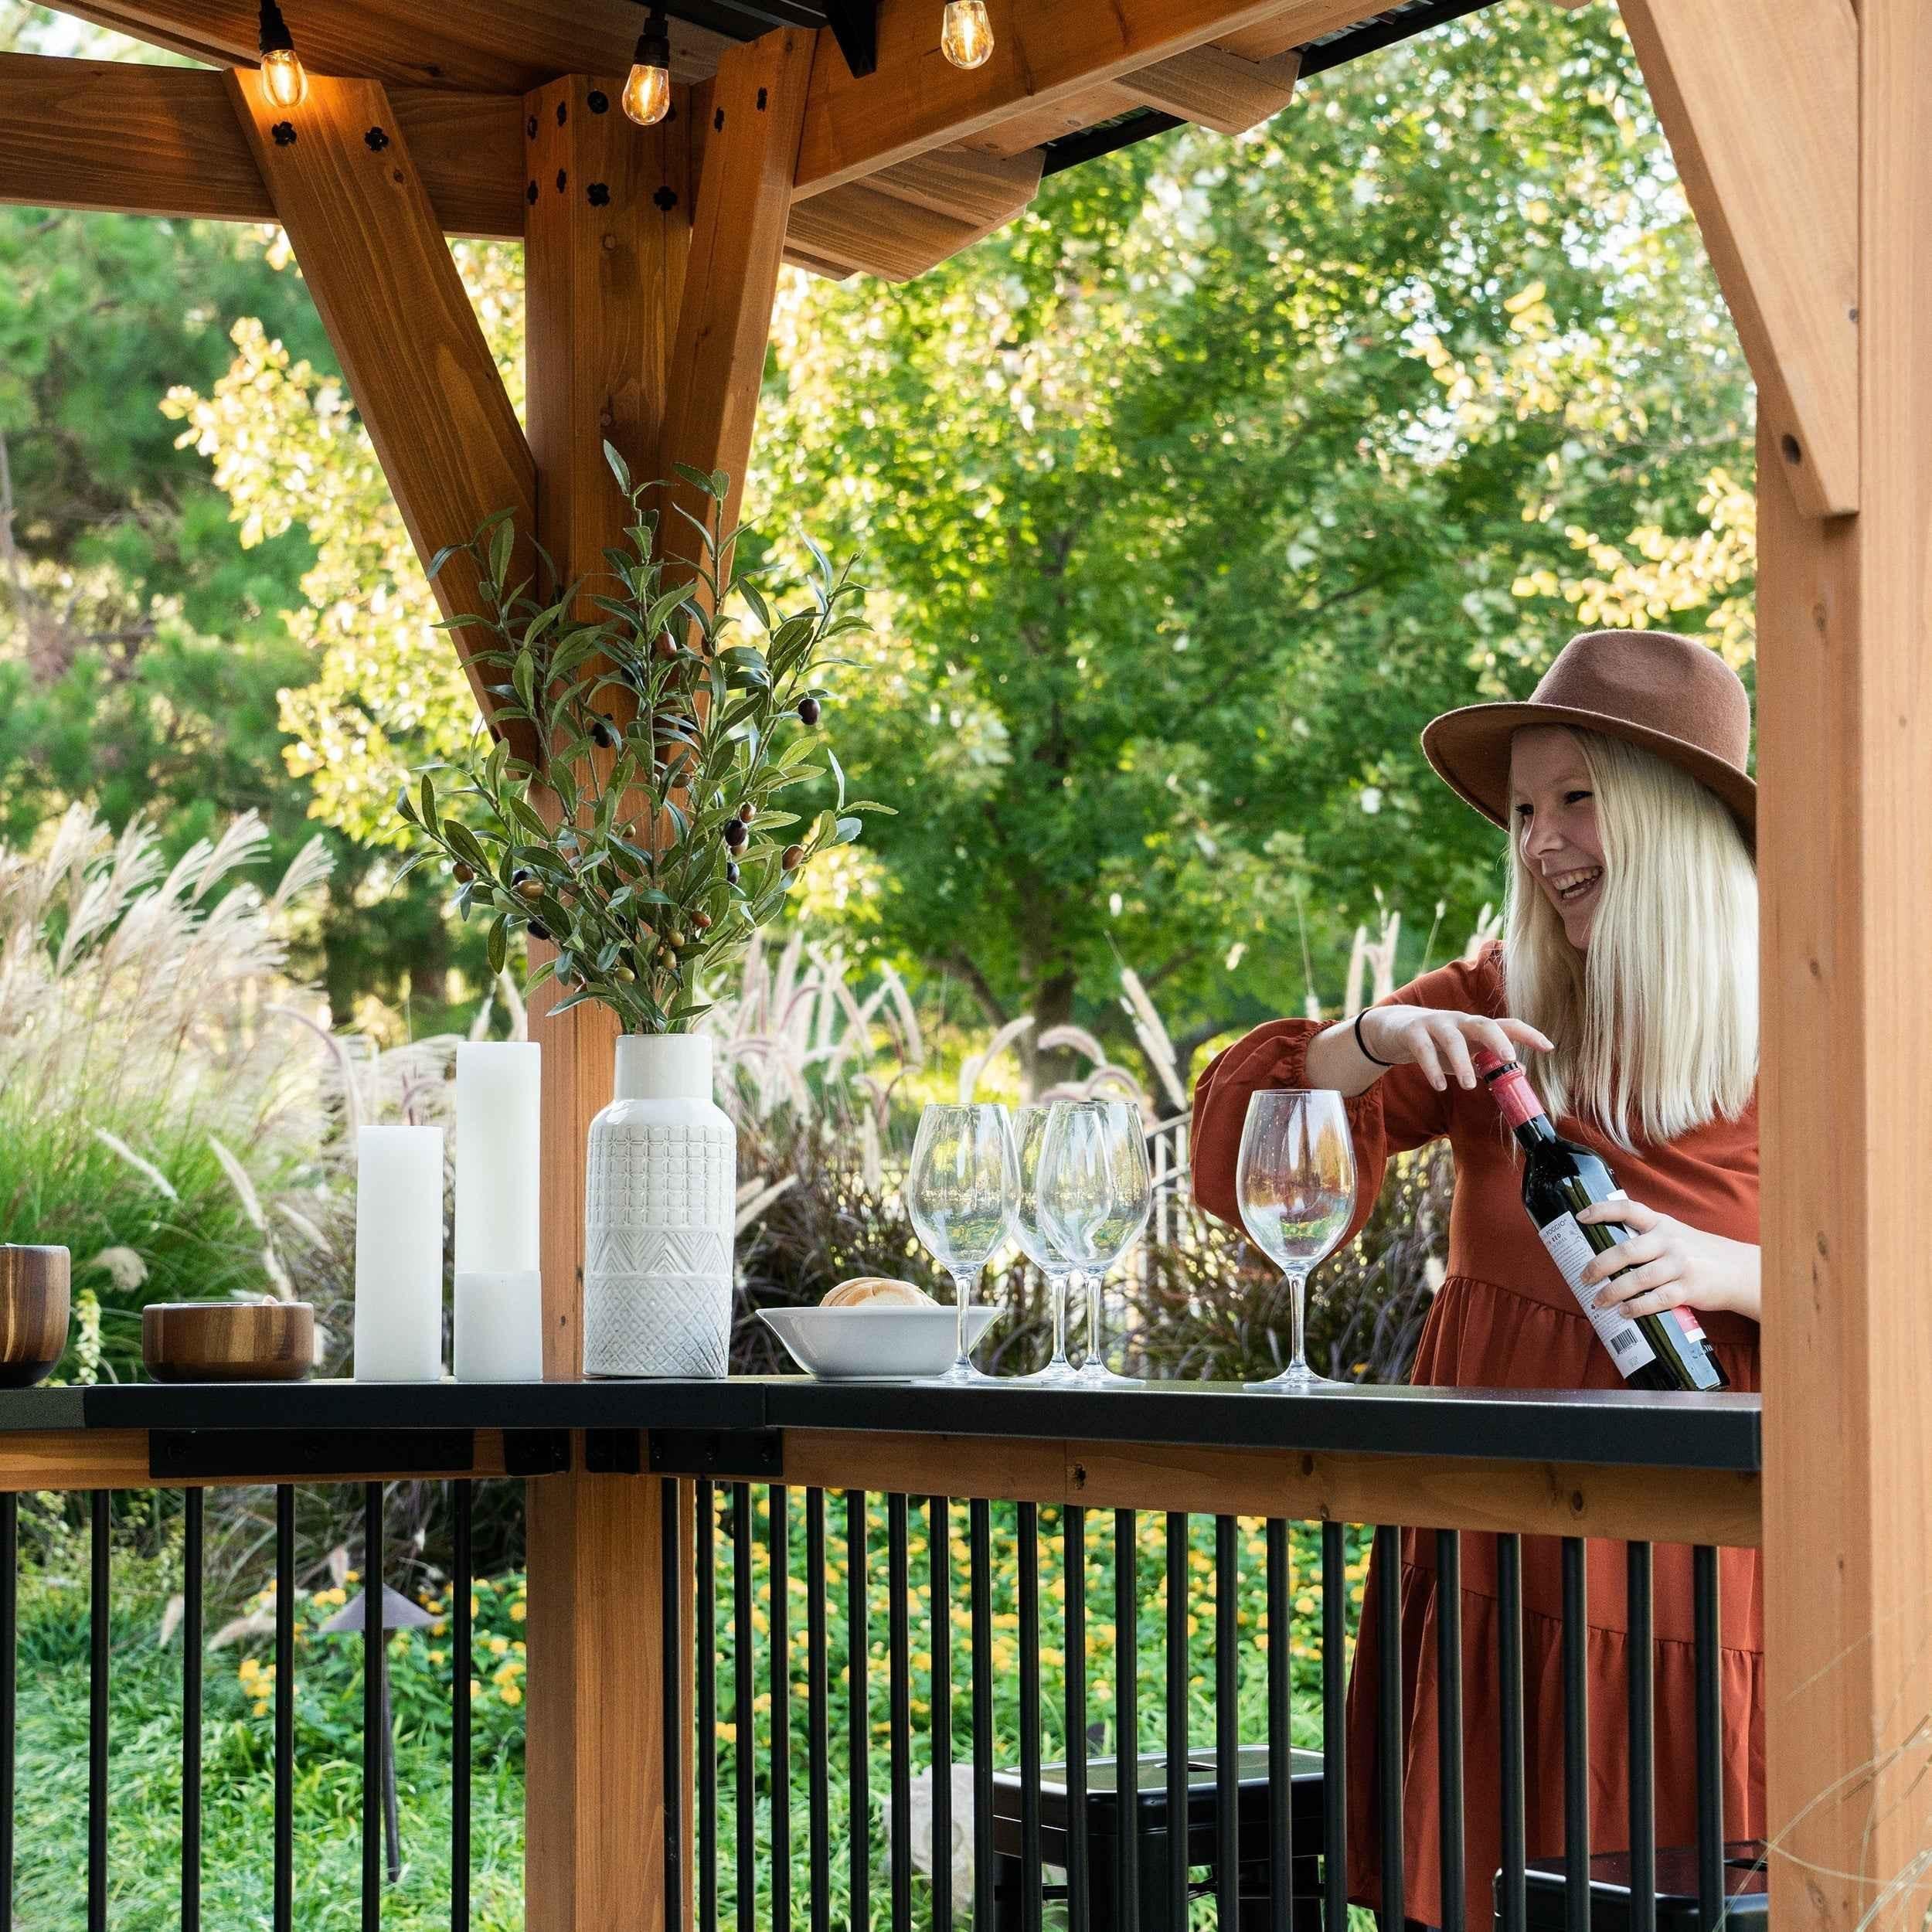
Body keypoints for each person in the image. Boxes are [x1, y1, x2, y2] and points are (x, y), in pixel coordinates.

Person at [1189, 629, 1763, 1930]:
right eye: (1520, 811)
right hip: (1489, 1535)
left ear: (1672, 821)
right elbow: (1241, 1173)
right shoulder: (1491, 1001)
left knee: (1657, 1894)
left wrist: (1732, 1269)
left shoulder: (1816, 1004)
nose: (1541, 840)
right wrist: (1364, 1041)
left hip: (1687, 1563)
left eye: (1577, 799)